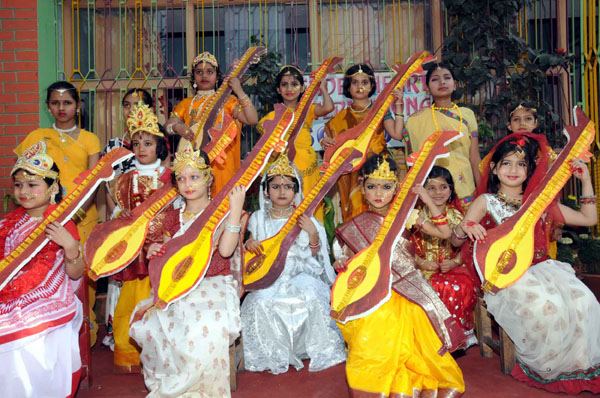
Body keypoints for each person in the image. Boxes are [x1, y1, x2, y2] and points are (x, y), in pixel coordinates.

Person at [453, 133, 600, 394]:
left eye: (520, 165)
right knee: (548, 307)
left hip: (543, 269)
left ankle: (579, 364)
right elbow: (455, 242)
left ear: (528, 170)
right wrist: (465, 227)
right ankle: (551, 367)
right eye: (506, 163)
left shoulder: (539, 202)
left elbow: (588, 219)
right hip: (505, 276)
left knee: (584, 301)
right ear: (495, 169)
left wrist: (586, 180)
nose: (513, 170)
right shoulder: (486, 201)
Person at [332, 154, 465, 397]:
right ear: (362, 189)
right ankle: (379, 383)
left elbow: (445, 233)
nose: (378, 193)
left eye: (386, 187)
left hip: (406, 287)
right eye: (372, 186)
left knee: (411, 314)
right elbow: (349, 258)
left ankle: (414, 375)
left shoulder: (408, 217)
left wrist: (426, 199)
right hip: (374, 290)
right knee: (377, 318)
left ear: (396, 189)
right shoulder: (357, 224)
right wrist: (341, 261)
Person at [129, 141, 248, 398]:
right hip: (178, 286)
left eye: (194, 176)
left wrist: (235, 211)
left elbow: (226, 251)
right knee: (151, 324)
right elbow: (164, 253)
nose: (188, 184)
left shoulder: (220, 212)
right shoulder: (172, 218)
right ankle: (177, 382)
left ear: (208, 179)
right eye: (181, 179)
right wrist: (154, 252)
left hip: (214, 283)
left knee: (202, 325)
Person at [241, 155, 346, 374]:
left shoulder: (306, 219)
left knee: (313, 295)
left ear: (296, 191)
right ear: (266, 191)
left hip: (300, 273)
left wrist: (312, 233)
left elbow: (315, 257)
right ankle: (271, 353)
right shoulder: (258, 218)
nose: (282, 191)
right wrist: (249, 242)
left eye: (288, 186)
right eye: (276, 186)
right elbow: (251, 249)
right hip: (268, 276)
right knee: (259, 302)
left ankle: (314, 348)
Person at [14, 80, 101, 346]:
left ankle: (85, 336)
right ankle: (46, 330)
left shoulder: (89, 139)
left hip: (82, 217)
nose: (61, 108)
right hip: (43, 218)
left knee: (83, 278)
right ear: (48, 106)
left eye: (67, 102)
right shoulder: (37, 137)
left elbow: (93, 182)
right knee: (41, 273)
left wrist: (72, 215)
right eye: (55, 103)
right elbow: (23, 177)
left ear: (78, 106)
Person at [0, 141, 84, 397]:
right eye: (19, 185)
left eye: (32, 184)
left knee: (25, 332)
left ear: (53, 188)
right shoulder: (9, 223)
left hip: (50, 294)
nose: (23, 191)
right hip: (8, 292)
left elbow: (76, 273)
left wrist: (70, 246)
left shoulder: (62, 223)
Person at [106, 102, 178, 373]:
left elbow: (178, 210)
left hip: (163, 248)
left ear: (159, 146)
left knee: (162, 301)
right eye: (136, 143)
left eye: (148, 143)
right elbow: (119, 212)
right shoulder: (123, 179)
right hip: (135, 251)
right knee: (131, 300)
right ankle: (128, 352)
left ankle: (164, 350)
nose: (141, 148)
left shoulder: (170, 178)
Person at [165, 51, 258, 196]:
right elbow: (169, 124)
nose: (204, 76)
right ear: (193, 78)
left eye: (209, 72)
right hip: (195, 169)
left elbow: (252, 119)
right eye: (199, 72)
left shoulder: (228, 101)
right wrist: (177, 127)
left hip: (224, 166)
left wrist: (239, 91)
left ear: (217, 77)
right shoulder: (187, 104)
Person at [321, 63, 404, 221]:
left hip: (379, 171)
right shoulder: (339, 120)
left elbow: (397, 134)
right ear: (348, 86)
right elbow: (335, 148)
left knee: (383, 213)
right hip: (353, 175)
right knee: (356, 214)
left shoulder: (380, 110)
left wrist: (398, 105)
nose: (360, 87)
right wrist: (326, 143)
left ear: (371, 85)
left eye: (365, 82)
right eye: (355, 82)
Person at [409, 166, 478, 347]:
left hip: (452, 270)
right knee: (429, 286)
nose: (438, 192)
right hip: (418, 268)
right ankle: (431, 337)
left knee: (455, 285)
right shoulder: (415, 216)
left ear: (451, 190)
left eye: (443, 187)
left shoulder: (457, 215)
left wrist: (455, 262)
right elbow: (404, 247)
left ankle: (456, 334)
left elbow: (470, 246)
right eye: (431, 188)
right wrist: (421, 262)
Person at [257, 65, 334, 220]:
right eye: (284, 85)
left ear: (302, 87)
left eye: (294, 84)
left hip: (307, 167)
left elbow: (328, 107)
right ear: (278, 90)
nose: (289, 89)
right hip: (284, 169)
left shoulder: (307, 110)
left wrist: (323, 88)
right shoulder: (272, 116)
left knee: (310, 207)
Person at [404, 63, 481, 209]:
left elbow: (474, 157)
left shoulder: (467, 114)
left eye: (447, 77)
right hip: (433, 192)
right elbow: (414, 162)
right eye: (435, 79)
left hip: (466, 189)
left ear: (455, 85)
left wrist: (483, 190)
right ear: (427, 88)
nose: (442, 82)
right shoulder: (417, 120)